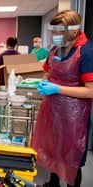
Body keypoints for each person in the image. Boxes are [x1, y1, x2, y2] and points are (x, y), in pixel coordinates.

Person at [32, 10, 93, 187]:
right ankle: (53, 183)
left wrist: (57, 88)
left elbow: (90, 91)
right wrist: (44, 82)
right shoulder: (56, 49)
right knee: (52, 150)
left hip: (74, 117)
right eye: (54, 31)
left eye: (60, 32)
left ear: (73, 31)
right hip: (52, 111)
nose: (55, 35)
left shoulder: (86, 51)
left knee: (70, 157)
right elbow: (47, 71)